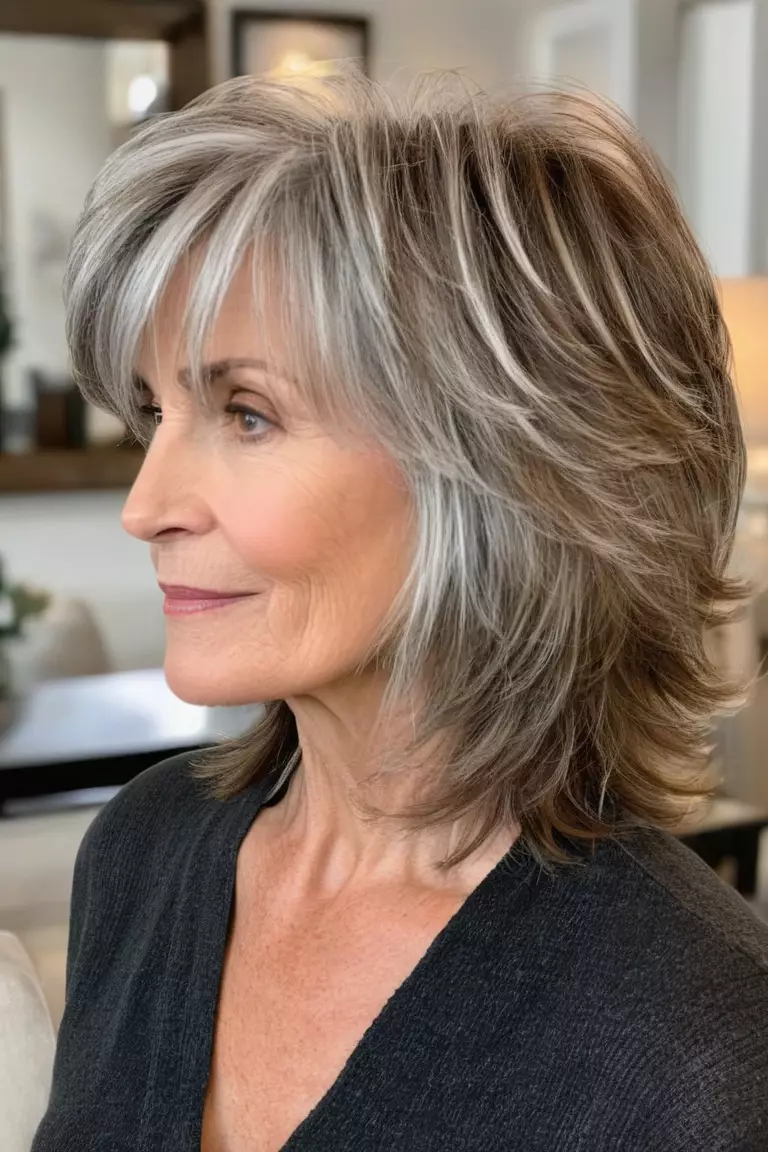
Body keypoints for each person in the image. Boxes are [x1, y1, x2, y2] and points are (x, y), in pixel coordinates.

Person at [32, 72, 768, 1152]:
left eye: (246, 414)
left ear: (505, 470)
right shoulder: (144, 851)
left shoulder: (692, 1047)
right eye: (154, 408)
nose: (147, 505)